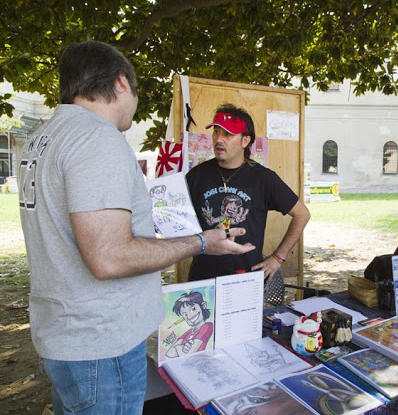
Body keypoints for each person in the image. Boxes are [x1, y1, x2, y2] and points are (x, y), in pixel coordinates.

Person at [17, 41, 255, 414]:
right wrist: (199, 242)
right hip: (101, 345)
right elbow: (110, 257)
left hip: (65, 337)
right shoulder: (97, 138)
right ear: (121, 83)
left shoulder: (43, 137)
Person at [187, 104, 311, 281]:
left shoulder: (263, 178)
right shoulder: (196, 175)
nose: (218, 139)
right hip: (202, 279)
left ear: (245, 141)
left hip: (245, 280)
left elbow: (302, 214)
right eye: (216, 131)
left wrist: (278, 257)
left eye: (228, 134)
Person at [166, 291, 214, 358]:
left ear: (203, 306)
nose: (189, 316)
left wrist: (178, 348)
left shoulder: (207, 326)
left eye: (192, 309)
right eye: (184, 314)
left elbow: (189, 354)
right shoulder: (189, 332)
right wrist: (181, 348)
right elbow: (169, 353)